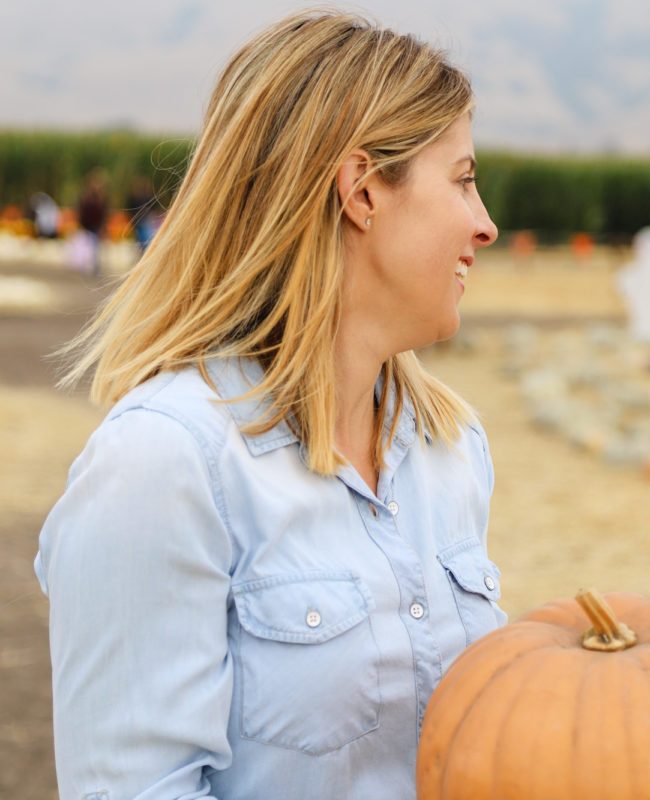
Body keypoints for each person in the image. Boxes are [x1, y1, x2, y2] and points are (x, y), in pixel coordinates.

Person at [35, 10, 502, 800]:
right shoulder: (164, 463)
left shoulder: (450, 450)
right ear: (361, 191)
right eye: (461, 179)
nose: (484, 224)